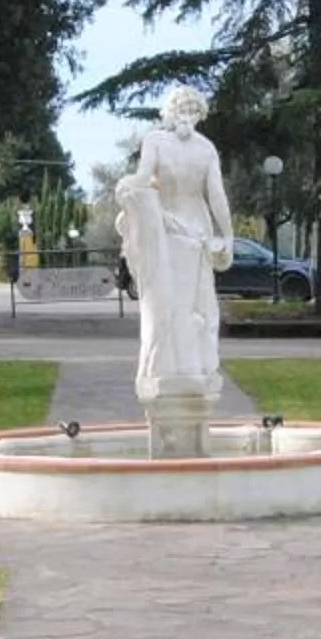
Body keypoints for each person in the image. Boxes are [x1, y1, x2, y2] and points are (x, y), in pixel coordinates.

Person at [113, 86, 234, 403]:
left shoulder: (200, 148)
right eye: (183, 108)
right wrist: (126, 190)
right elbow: (142, 179)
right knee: (176, 302)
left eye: (192, 110)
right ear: (171, 111)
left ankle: (190, 366)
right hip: (170, 229)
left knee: (195, 304)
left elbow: (216, 196)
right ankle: (174, 365)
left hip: (188, 230)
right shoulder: (169, 143)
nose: (186, 115)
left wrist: (228, 235)